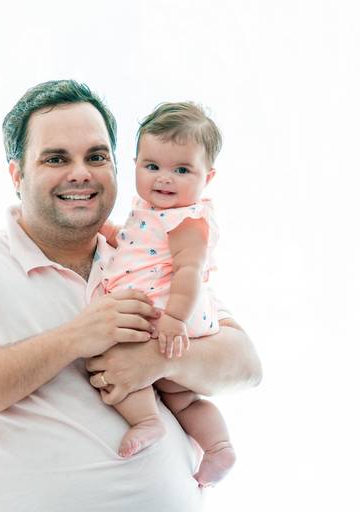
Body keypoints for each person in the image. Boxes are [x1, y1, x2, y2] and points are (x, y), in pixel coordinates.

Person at [0, 79, 262, 512]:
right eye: (56, 158)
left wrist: (159, 360)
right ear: (17, 175)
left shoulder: (143, 256)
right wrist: (74, 338)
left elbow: (246, 365)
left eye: (96, 157)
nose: (81, 173)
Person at [99, 101, 235, 486]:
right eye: (152, 166)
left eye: (182, 170)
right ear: (135, 164)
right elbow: (137, 246)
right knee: (182, 397)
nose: (164, 179)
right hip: (167, 315)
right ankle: (218, 447)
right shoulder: (150, 210)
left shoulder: (185, 219)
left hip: (167, 314)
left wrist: (174, 319)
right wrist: (108, 233)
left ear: (207, 176)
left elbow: (189, 270)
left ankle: (146, 421)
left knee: (114, 358)